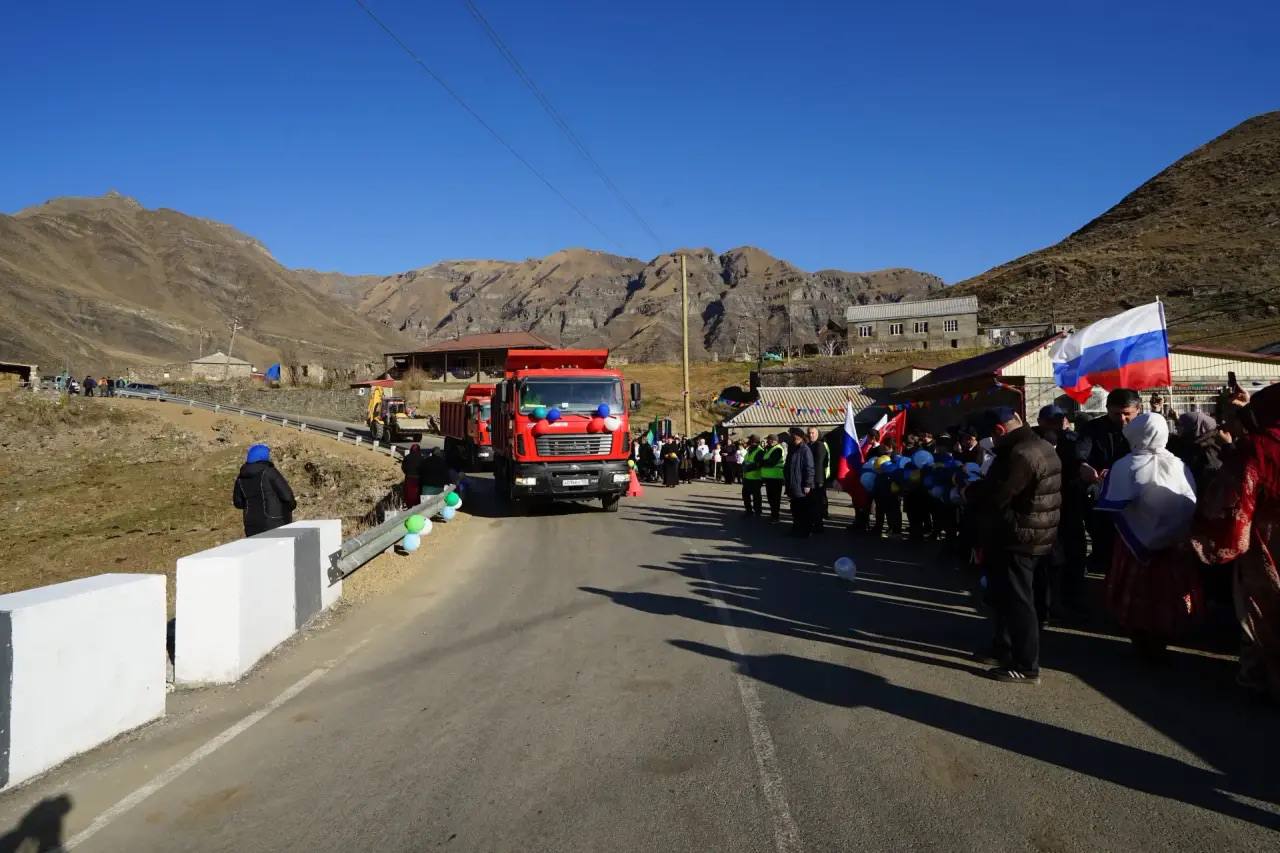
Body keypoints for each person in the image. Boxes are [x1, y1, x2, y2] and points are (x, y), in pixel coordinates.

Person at [1192, 384, 1280, 702]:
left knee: (1261, 606)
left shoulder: (1256, 448)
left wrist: (1212, 536)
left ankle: (1259, 676)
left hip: (1267, 539)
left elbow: (1234, 499)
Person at [1095, 413, 1200, 658]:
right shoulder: (1178, 464)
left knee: (1138, 592)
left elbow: (1111, 502)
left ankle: (1141, 637)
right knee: (1167, 592)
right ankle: (1165, 634)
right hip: (1174, 545)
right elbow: (1189, 499)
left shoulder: (1126, 464)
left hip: (1135, 545)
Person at [969, 407, 1061, 683]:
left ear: (999, 431)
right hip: (1031, 532)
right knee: (1004, 595)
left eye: (992, 437)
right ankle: (1003, 647)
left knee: (1019, 601)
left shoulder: (1019, 454)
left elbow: (1000, 495)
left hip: (1018, 536)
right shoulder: (1041, 445)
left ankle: (1026, 665)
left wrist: (968, 491)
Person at [1077, 388, 1141, 574]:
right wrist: (1083, 465)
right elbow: (1081, 452)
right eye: (1116, 414)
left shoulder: (1145, 429)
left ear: (1138, 409)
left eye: (1127, 414)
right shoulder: (1093, 428)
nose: (1122, 419)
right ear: (1107, 409)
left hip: (1135, 499)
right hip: (1101, 496)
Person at [1037, 405, 1088, 618]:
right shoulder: (1033, 443)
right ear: (1041, 422)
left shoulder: (1075, 441)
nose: (1057, 426)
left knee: (1074, 557)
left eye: (1059, 421)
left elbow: (1082, 461)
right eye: (1051, 422)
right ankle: (1047, 604)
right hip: (1043, 510)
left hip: (1070, 507)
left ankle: (1072, 601)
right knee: (1048, 561)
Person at [232, 444, 297, 537]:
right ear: (263, 457)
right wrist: (291, 506)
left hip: (251, 524)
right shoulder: (269, 472)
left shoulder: (241, 477)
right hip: (275, 522)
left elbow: (238, 503)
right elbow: (287, 496)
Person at [784, 428, 815, 538]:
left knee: (803, 509)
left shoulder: (805, 449)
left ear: (799, 437)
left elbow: (809, 468)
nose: (792, 438)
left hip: (801, 485)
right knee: (795, 508)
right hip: (792, 484)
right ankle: (796, 527)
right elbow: (788, 466)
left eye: (793, 437)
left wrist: (808, 484)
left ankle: (805, 531)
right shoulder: (792, 448)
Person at [806, 427, 830, 533]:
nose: (811, 435)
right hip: (810, 478)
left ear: (817, 434)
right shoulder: (808, 445)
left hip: (817, 479)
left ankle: (818, 526)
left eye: (813, 433)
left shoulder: (819, 445)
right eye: (809, 433)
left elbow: (818, 463)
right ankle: (812, 523)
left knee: (817, 503)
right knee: (811, 503)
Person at [760, 433, 787, 522]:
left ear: (773, 440)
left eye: (768, 439)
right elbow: (765, 460)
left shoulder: (778, 449)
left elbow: (771, 462)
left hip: (776, 477)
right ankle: (773, 514)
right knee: (770, 497)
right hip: (769, 478)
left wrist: (762, 462)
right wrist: (764, 461)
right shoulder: (769, 449)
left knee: (775, 498)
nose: (767, 441)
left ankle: (775, 516)